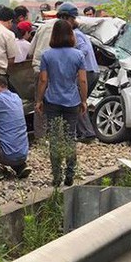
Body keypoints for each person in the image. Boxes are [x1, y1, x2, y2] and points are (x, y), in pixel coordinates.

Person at [36, 20, 87, 188]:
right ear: (71, 35)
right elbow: (82, 80)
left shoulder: (47, 55)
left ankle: (56, 176)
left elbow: (43, 80)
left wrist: (39, 100)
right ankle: (70, 175)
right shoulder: (78, 55)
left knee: (55, 138)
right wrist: (84, 100)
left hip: (52, 100)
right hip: (72, 101)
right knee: (69, 136)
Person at [56, 2, 98, 142]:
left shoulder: (75, 34)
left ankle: (87, 132)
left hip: (87, 72)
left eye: (64, 18)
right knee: (79, 101)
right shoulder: (78, 33)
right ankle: (84, 132)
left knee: (77, 102)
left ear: (71, 19)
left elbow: (83, 51)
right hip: (91, 71)